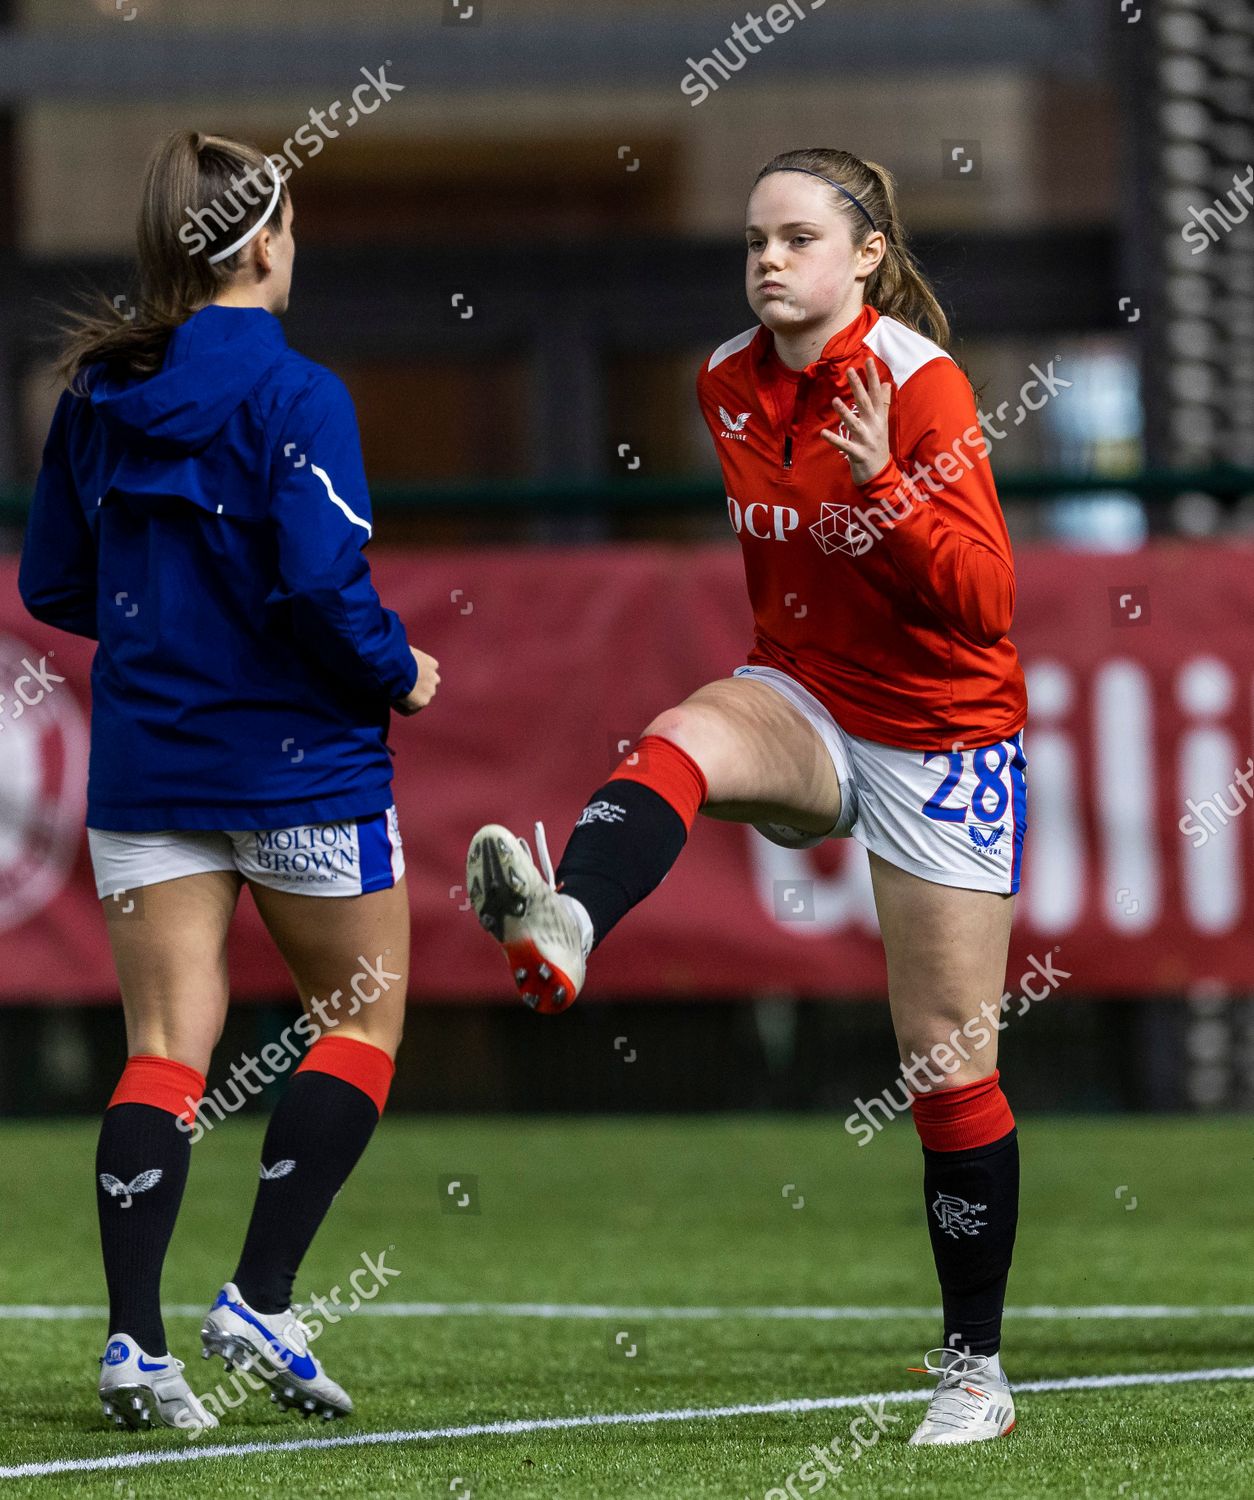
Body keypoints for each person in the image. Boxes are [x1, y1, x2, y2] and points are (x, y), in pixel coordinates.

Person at [466, 147, 1027, 1447]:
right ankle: (567, 923)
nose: (768, 261)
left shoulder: (916, 382)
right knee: (674, 738)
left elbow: (986, 607)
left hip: (940, 732)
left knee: (943, 1061)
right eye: (753, 241)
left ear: (865, 257)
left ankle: (973, 1373)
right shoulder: (724, 379)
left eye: (796, 239)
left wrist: (889, 484)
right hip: (808, 693)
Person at [18, 129, 438, 1433]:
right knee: (357, 1023)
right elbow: (320, 586)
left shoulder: (95, 393)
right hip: (302, 763)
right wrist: (399, 671)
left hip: (150, 764)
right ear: (261, 241)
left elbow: (50, 584)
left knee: (162, 1053)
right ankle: (258, 1295)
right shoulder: (301, 392)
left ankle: (135, 1347)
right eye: (292, 225)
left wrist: (171, 635)